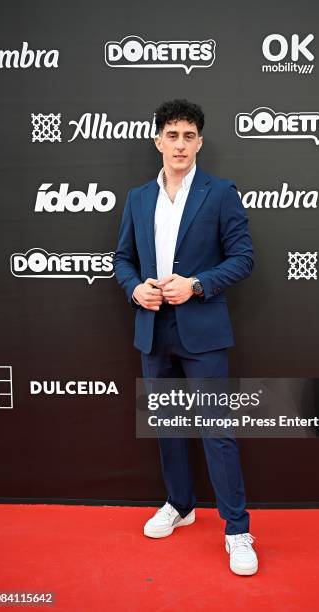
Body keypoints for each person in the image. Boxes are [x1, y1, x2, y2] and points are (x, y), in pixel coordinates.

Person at [114, 99, 257, 576]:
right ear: (158, 141)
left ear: (199, 142)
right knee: (169, 429)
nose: (180, 144)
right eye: (171, 135)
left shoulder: (220, 193)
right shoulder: (137, 198)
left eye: (188, 135)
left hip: (203, 330)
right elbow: (122, 260)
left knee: (218, 434)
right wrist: (136, 289)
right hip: (154, 331)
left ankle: (237, 531)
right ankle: (180, 504)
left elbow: (243, 258)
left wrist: (196, 285)